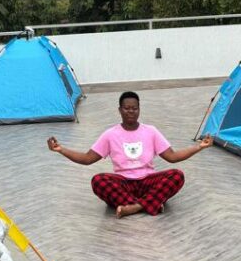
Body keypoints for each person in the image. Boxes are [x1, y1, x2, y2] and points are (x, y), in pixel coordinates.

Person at [47, 90, 212, 218]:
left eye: (134, 108)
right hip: (123, 183)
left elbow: (172, 157)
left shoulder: (151, 131)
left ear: (139, 110)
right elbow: (87, 158)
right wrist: (61, 149)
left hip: (147, 181)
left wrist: (199, 147)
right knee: (98, 181)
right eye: (126, 108)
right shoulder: (110, 134)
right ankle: (151, 203)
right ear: (120, 110)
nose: (131, 112)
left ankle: (133, 207)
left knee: (177, 176)